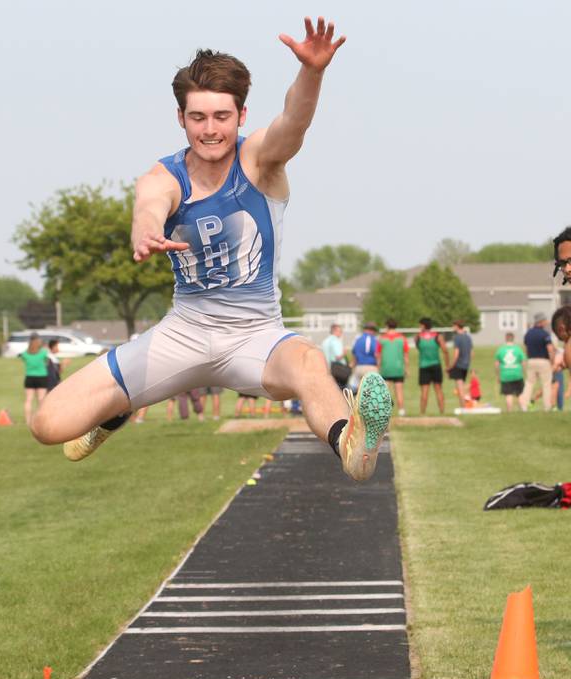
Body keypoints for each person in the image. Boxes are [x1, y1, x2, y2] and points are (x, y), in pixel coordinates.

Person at [30, 17, 392, 483]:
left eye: (221, 116)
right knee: (47, 424)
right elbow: (150, 204)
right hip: (183, 335)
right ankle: (116, 411)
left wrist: (312, 73)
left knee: (309, 362)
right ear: (180, 118)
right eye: (197, 117)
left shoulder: (259, 161)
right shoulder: (163, 176)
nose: (209, 130)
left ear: (241, 117)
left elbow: (293, 123)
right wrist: (145, 230)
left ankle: (349, 441)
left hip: (256, 337)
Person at [519, 312, 554, 411]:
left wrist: (528, 358)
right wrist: (552, 361)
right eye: (545, 321)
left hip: (531, 360)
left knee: (529, 383)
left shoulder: (528, 333)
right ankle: (547, 407)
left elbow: (526, 348)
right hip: (543, 361)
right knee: (546, 384)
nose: (546, 322)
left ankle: (524, 406)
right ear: (541, 322)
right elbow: (550, 349)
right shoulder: (545, 334)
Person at [415, 318, 449, 414]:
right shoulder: (438, 336)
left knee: (424, 392)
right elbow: (445, 351)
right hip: (436, 365)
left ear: (423, 326)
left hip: (423, 366)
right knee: (438, 389)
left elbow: (419, 348)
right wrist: (447, 365)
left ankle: (422, 413)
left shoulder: (418, 337)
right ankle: (442, 412)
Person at [376, 319, 409, 417]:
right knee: (399, 391)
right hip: (398, 369)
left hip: (386, 369)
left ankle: (383, 412)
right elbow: (405, 355)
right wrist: (407, 368)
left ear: (387, 326)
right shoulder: (402, 338)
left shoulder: (381, 339)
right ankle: (401, 410)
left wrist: (378, 367)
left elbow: (378, 355)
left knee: (385, 392)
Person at [20, 333, 49, 424]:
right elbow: (47, 362)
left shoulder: (25, 354)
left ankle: (28, 420)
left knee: (28, 400)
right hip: (41, 376)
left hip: (29, 377)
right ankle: (41, 420)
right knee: (41, 399)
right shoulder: (43, 352)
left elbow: (24, 358)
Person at [494, 332, 526, 412]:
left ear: (506, 338)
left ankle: (509, 411)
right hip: (517, 374)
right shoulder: (518, 349)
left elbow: (497, 364)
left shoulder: (501, 350)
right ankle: (524, 410)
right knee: (520, 393)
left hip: (505, 375)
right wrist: (522, 371)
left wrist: (498, 375)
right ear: (513, 338)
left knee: (508, 394)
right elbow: (523, 362)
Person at [447, 320, 473, 406]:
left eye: (453, 326)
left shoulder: (457, 338)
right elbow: (472, 353)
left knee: (460, 389)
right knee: (463, 387)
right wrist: (468, 362)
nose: (452, 328)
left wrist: (451, 366)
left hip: (458, 365)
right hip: (466, 365)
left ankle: (463, 408)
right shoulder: (468, 337)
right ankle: (468, 405)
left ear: (457, 326)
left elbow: (456, 355)